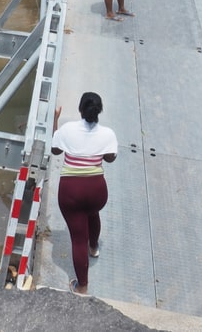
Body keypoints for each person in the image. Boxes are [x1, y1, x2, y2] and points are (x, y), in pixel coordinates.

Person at [51, 91, 118, 296]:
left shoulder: (67, 129)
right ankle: (94, 247)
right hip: (97, 191)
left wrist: (55, 120)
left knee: (77, 238)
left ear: (80, 109)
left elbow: (55, 150)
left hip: (71, 191)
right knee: (92, 213)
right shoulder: (108, 134)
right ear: (99, 112)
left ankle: (82, 287)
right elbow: (110, 159)